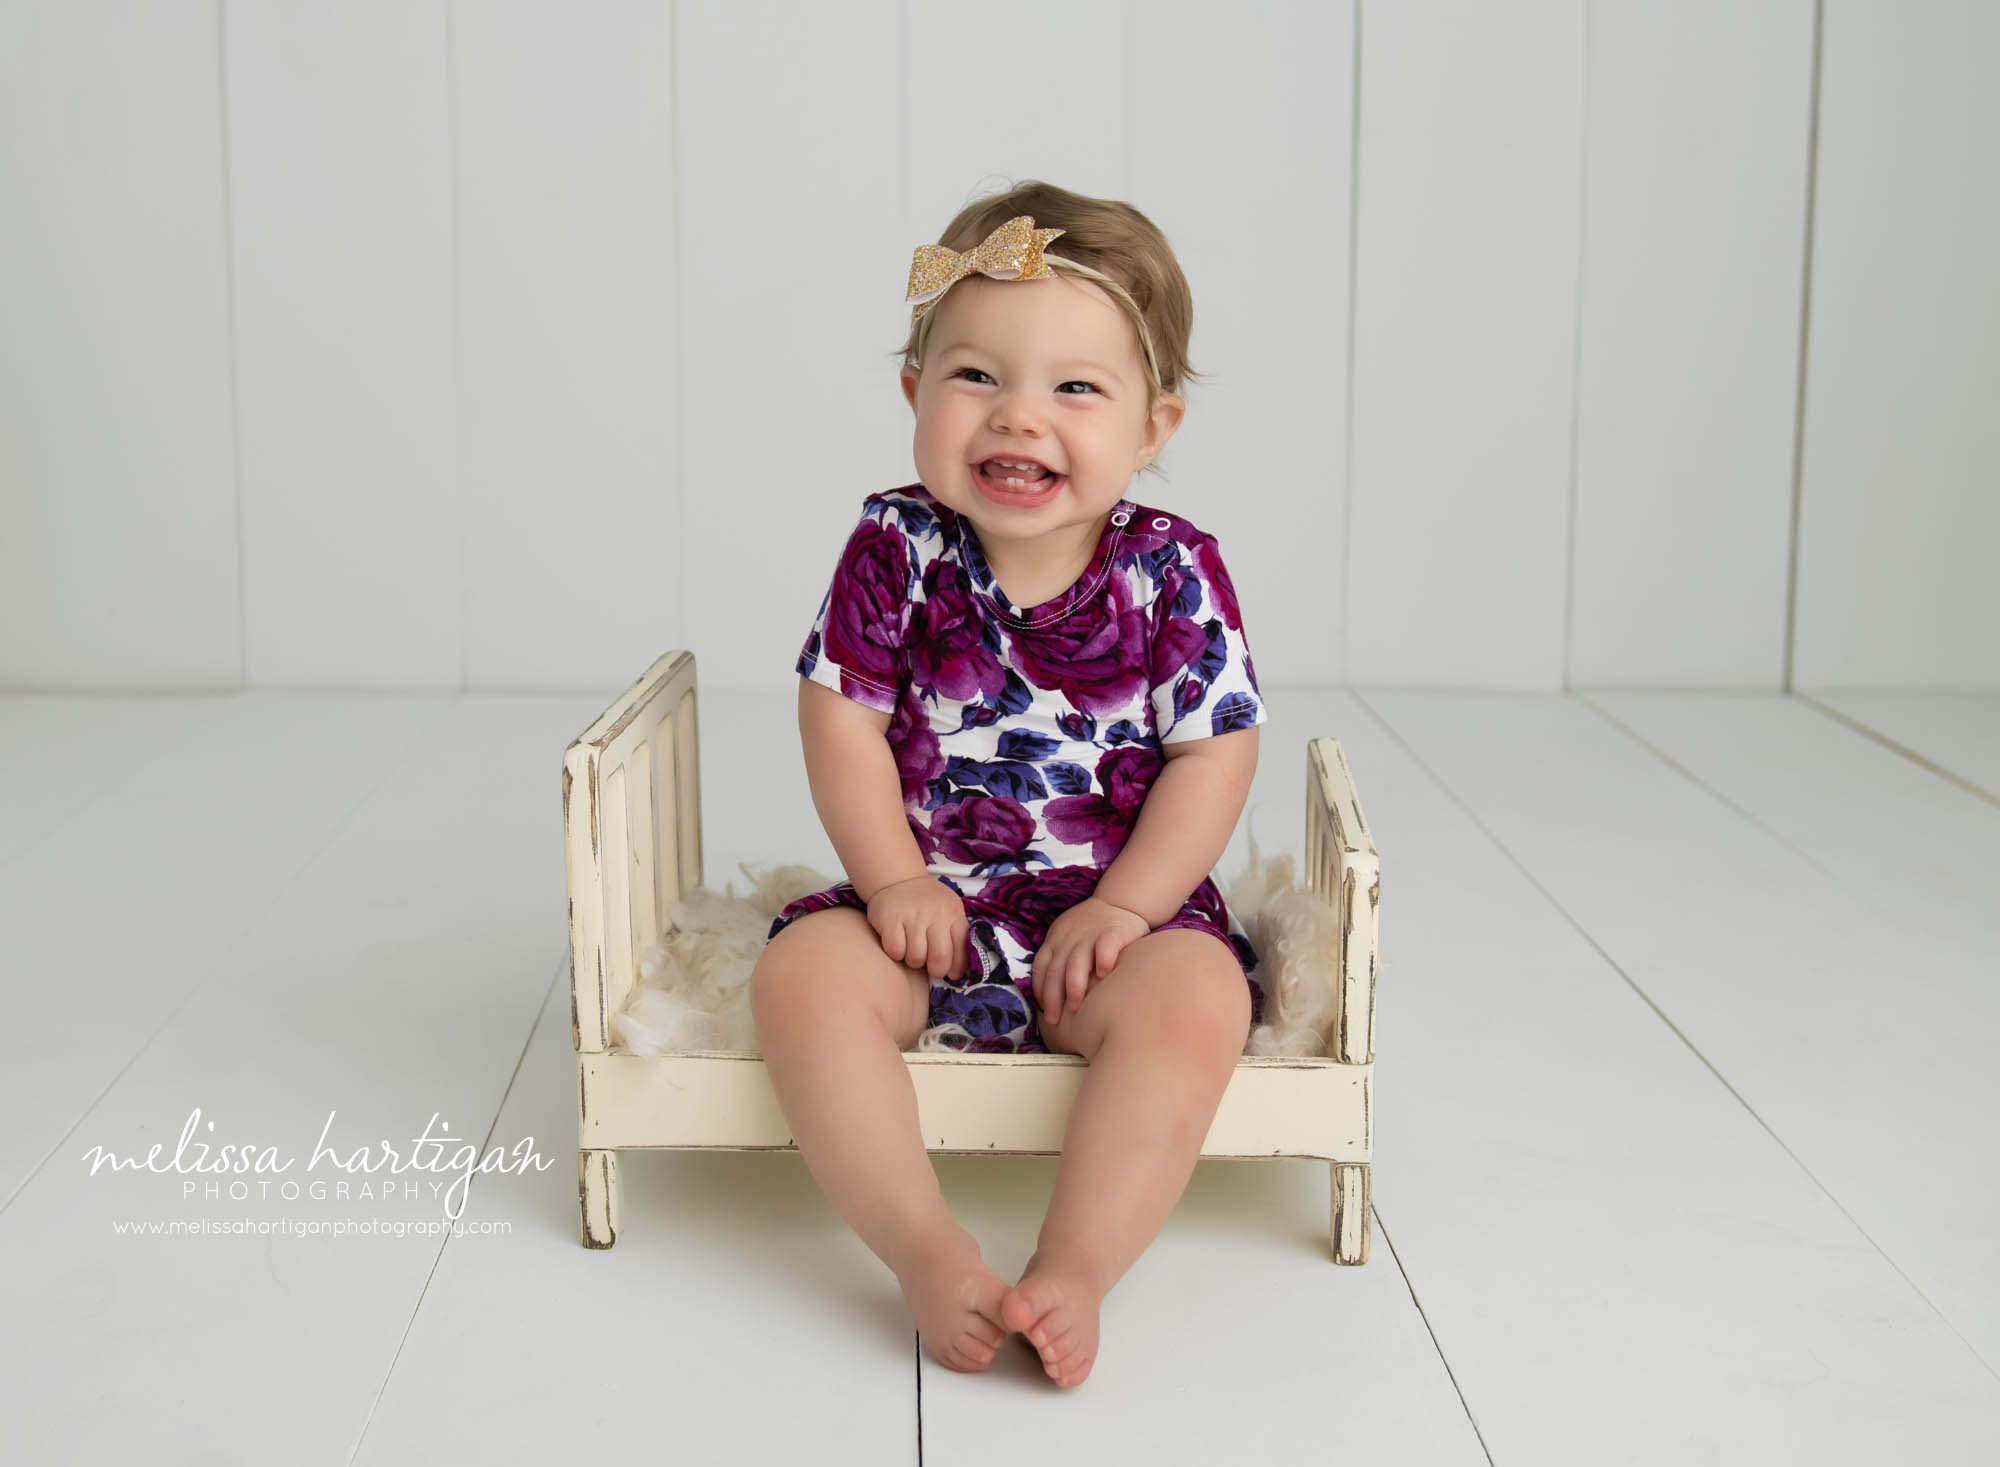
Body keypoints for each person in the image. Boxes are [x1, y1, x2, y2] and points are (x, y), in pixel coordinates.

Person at [747, 180, 1268, 1392]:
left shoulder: (1171, 570)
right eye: (975, 376)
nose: (1017, 417)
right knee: (800, 980)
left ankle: (1075, 1262)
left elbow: (1213, 752)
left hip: (1112, 924)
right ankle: (922, 1247)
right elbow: (840, 716)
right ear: (913, 396)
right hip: (926, 905)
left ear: (1154, 425)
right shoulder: (897, 545)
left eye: (1074, 388)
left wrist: (1129, 908)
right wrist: (889, 879)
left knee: (1196, 1004)